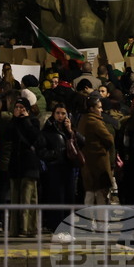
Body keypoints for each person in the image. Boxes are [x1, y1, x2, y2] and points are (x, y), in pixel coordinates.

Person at [38, 102, 77, 242]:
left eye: (63, 113)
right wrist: (55, 154)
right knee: (57, 198)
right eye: (58, 113)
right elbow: (41, 150)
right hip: (55, 168)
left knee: (69, 198)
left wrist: (71, 130)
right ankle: (56, 229)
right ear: (53, 114)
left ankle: (67, 229)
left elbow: (82, 142)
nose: (60, 116)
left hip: (69, 168)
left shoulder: (69, 130)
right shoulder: (47, 130)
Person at [6, 96, 41, 237]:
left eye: (22, 108)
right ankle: (15, 228)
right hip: (15, 165)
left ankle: (28, 228)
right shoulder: (12, 122)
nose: (19, 110)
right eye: (17, 107)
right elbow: (7, 135)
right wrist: (15, 119)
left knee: (28, 198)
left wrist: (25, 120)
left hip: (30, 165)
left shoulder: (33, 121)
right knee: (15, 198)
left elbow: (35, 137)